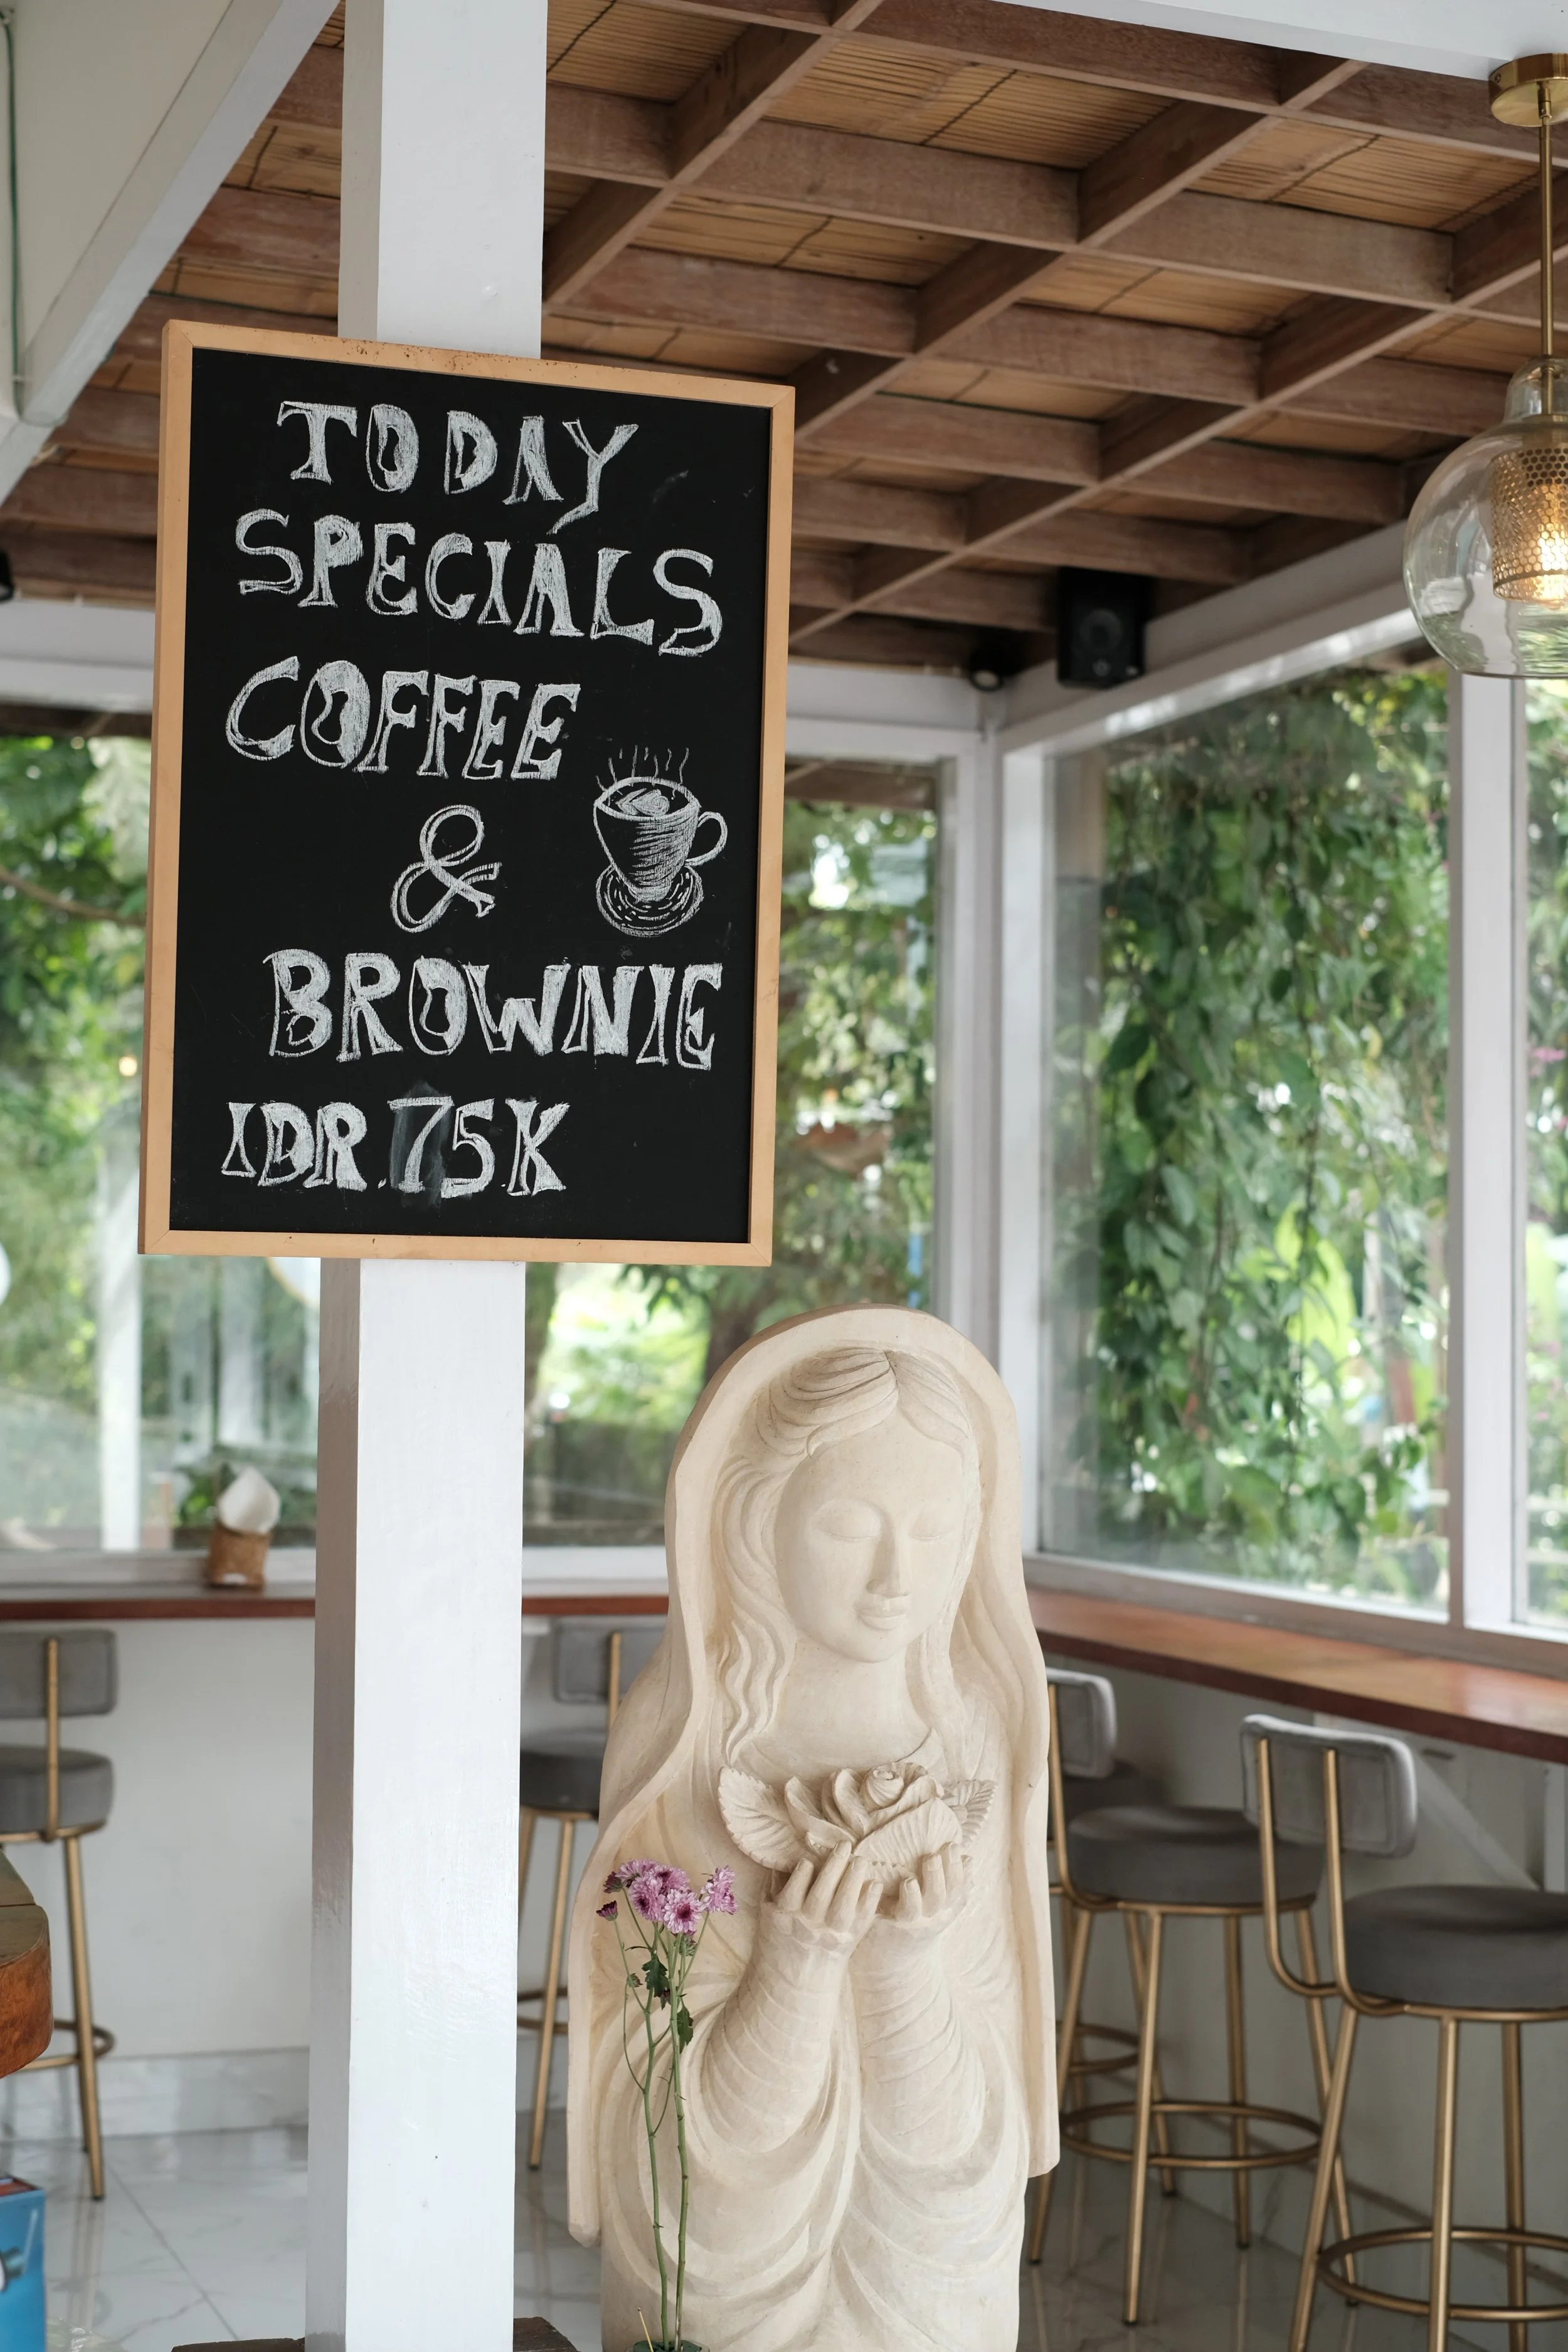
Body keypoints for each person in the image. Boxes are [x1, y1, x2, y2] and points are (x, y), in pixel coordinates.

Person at [567, 1306, 1055, 2352]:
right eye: (849, 1526)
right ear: (756, 1522)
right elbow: (660, 2154)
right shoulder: (684, 1753)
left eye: (933, 1531)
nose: (897, 1577)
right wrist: (794, 1967)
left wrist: (901, 1972)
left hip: (919, 2269)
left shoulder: (976, 1747)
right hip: (744, 2275)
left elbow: (972, 2155)